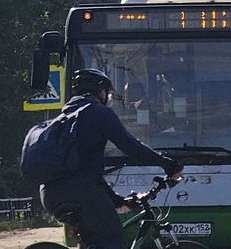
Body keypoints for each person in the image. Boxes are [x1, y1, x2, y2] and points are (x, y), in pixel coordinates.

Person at [39, 68, 183, 249]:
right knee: (113, 243)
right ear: (101, 92)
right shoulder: (99, 113)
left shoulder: (63, 119)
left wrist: (116, 200)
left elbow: (86, 171)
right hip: (81, 192)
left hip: (50, 194)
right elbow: (131, 146)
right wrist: (168, 165)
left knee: (94, 242)